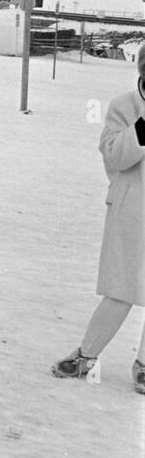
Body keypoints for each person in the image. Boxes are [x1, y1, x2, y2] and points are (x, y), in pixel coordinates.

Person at [51, 47, 145, 393]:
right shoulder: (124, 107)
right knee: (120, 290)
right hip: (132, 211)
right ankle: (86, 356)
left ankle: (144, 366)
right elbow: (116, 157)